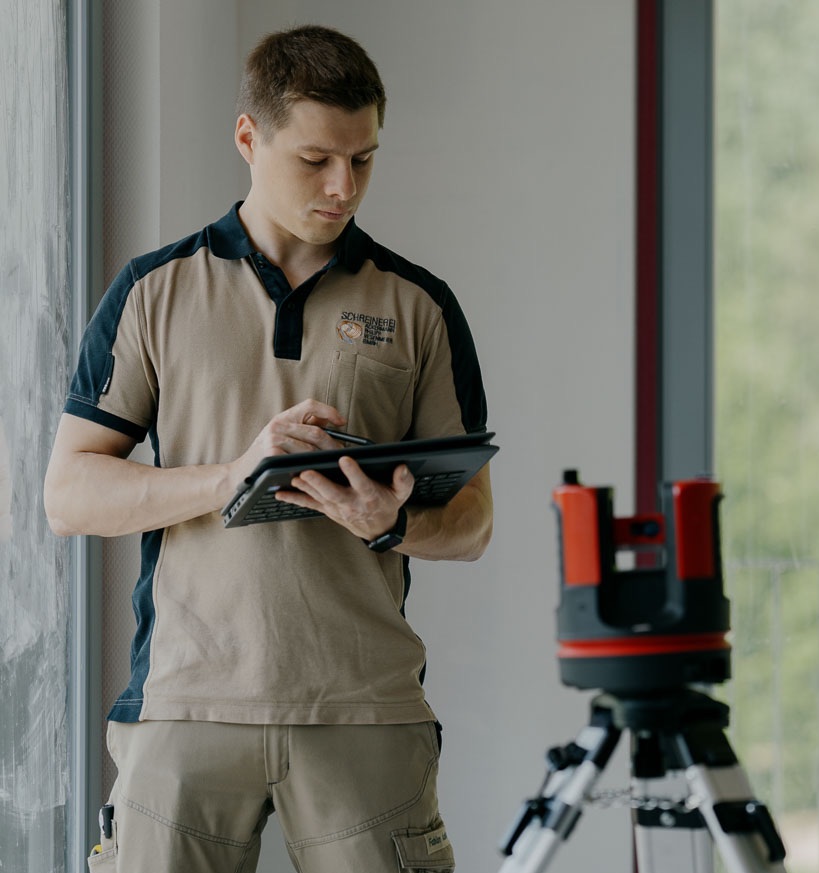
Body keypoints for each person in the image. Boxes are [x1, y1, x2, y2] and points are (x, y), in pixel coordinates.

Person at [45, 24, 492, 873]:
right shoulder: (153, 290)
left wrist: (389, 522)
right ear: (249, 139)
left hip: (367, 708)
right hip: (185, 705)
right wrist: (231, 475)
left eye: (362, 160)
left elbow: (471, 521)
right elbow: (69, 495)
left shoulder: (419, 305)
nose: (342, 186)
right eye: (315, 158)